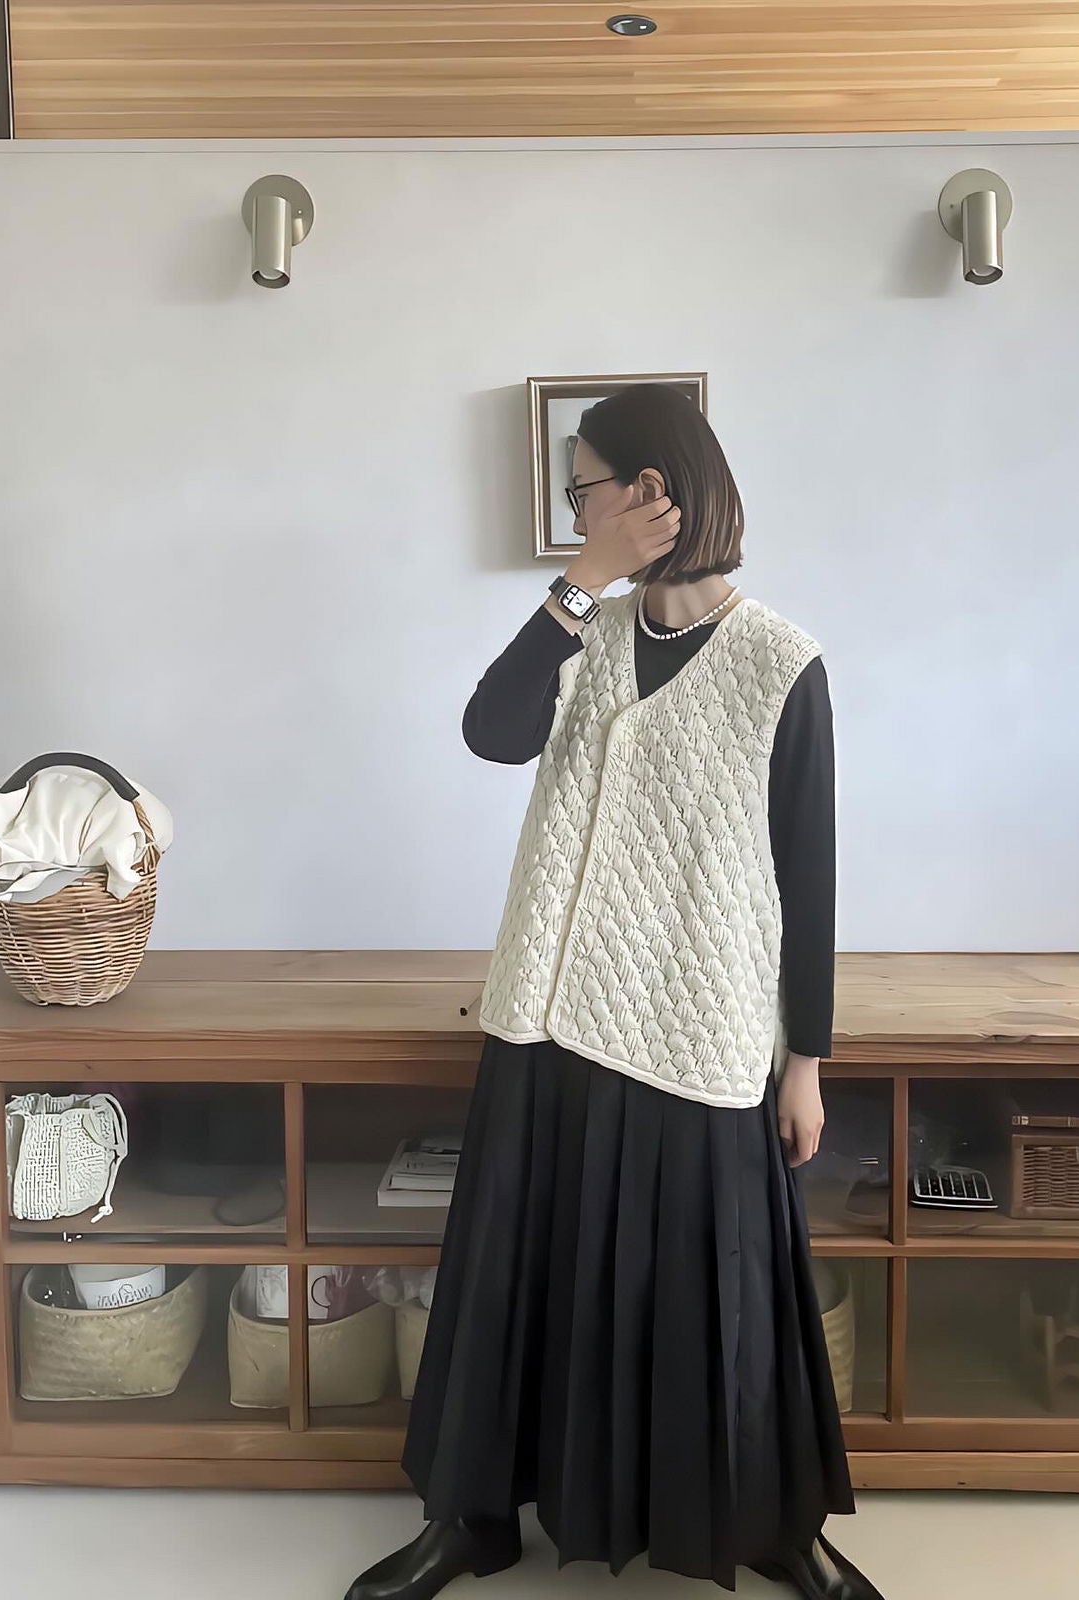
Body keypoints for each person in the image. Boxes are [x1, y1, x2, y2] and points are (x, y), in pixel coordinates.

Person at [345, 384, 885, 1600]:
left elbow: (809, 875)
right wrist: (578, 583)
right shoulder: (581, 632)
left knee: (722, 1292)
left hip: (699, 1022)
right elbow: (491, 731)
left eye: (581, 485)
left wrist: (805, 1062)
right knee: (509, 1274)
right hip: (547, 1011)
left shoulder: (778, 663)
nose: (572, 504)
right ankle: (470, 1515)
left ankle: (773, 1525)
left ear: (647, 488)